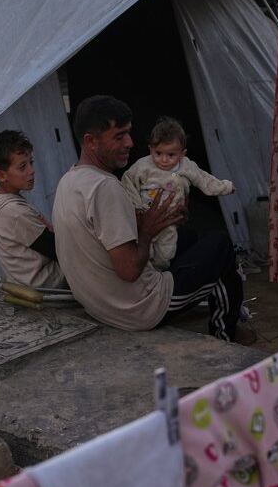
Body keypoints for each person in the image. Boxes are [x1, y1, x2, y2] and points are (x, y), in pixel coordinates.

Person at [53, 95, 245, 340]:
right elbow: (129, 270)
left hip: (100, 305)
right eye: (119, 136)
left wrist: (159, 221)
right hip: (138, 308)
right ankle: (225, 334)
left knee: (186, 237)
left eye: (129, 133)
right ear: (91, 141)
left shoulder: (69, 180)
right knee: (221, 245)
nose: (130, 142)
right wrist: (147, 231)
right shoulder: (105, 188)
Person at [121, 116, 235, 270]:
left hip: (169, 221)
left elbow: (205, 180)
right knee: (144, 251)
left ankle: (160, 272)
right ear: (150, 149)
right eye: (158, 153)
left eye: (171, 155)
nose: (163, 160)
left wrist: (226, 187)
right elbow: (128, 182)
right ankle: (146, 274)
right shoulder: (143, 166)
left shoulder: (187, 167)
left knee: (166, 253)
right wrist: (137, 207)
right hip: (145, 220)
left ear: (182, 153)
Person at [0, 130, 66, 290]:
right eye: (22, 167)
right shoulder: (14, 212)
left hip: (23, 282)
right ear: (2, 176)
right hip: (44, 285)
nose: (31, 171)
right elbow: (57, 249)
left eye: (31, 163)